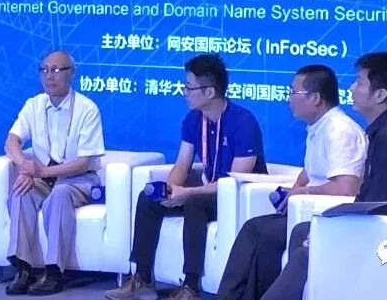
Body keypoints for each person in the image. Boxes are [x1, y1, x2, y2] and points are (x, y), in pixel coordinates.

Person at [260, 52, 387, 300]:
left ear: (380, 95)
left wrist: (337, 229)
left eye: (359, 82)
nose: (351, 88)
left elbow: (380, 203)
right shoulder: (385, 129)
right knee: (302, 231)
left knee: (308, 249)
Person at [106, 53, 267, 300]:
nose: (184, 92)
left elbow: (234, 181)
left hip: (238, 198)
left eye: (189, 87)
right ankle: (142, 278)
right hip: (208, 191)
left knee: (195, 203)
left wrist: (188, 193)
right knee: (149, 198)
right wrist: (170, 190)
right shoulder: (193, 119)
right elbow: (182, 165)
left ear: (210, 92)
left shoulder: (243, 122)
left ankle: (191, 286)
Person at [216, 64, 367, 300]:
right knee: (253, 228)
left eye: (293, 92)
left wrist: (302, 193)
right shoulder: (319, 127)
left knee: (268, 235)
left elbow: (345, 188)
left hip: (331, 217)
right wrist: (293, 193)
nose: (288, 99)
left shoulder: (339, 131)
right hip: (308, 211)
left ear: (315, 98)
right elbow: (310, 171)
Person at [3, 51, 105, 296]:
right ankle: (23, 268)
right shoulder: (34, 105)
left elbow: (83, 162)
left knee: (59, 194)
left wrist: (41, 170)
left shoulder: (87, 109)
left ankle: (54, 272)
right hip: (42, 177)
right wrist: (25, 167)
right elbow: (11, 141)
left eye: (57, 70)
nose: (50, 76)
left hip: (79, 179)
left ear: (72, 73)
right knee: (20, 192)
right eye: (45, 70)